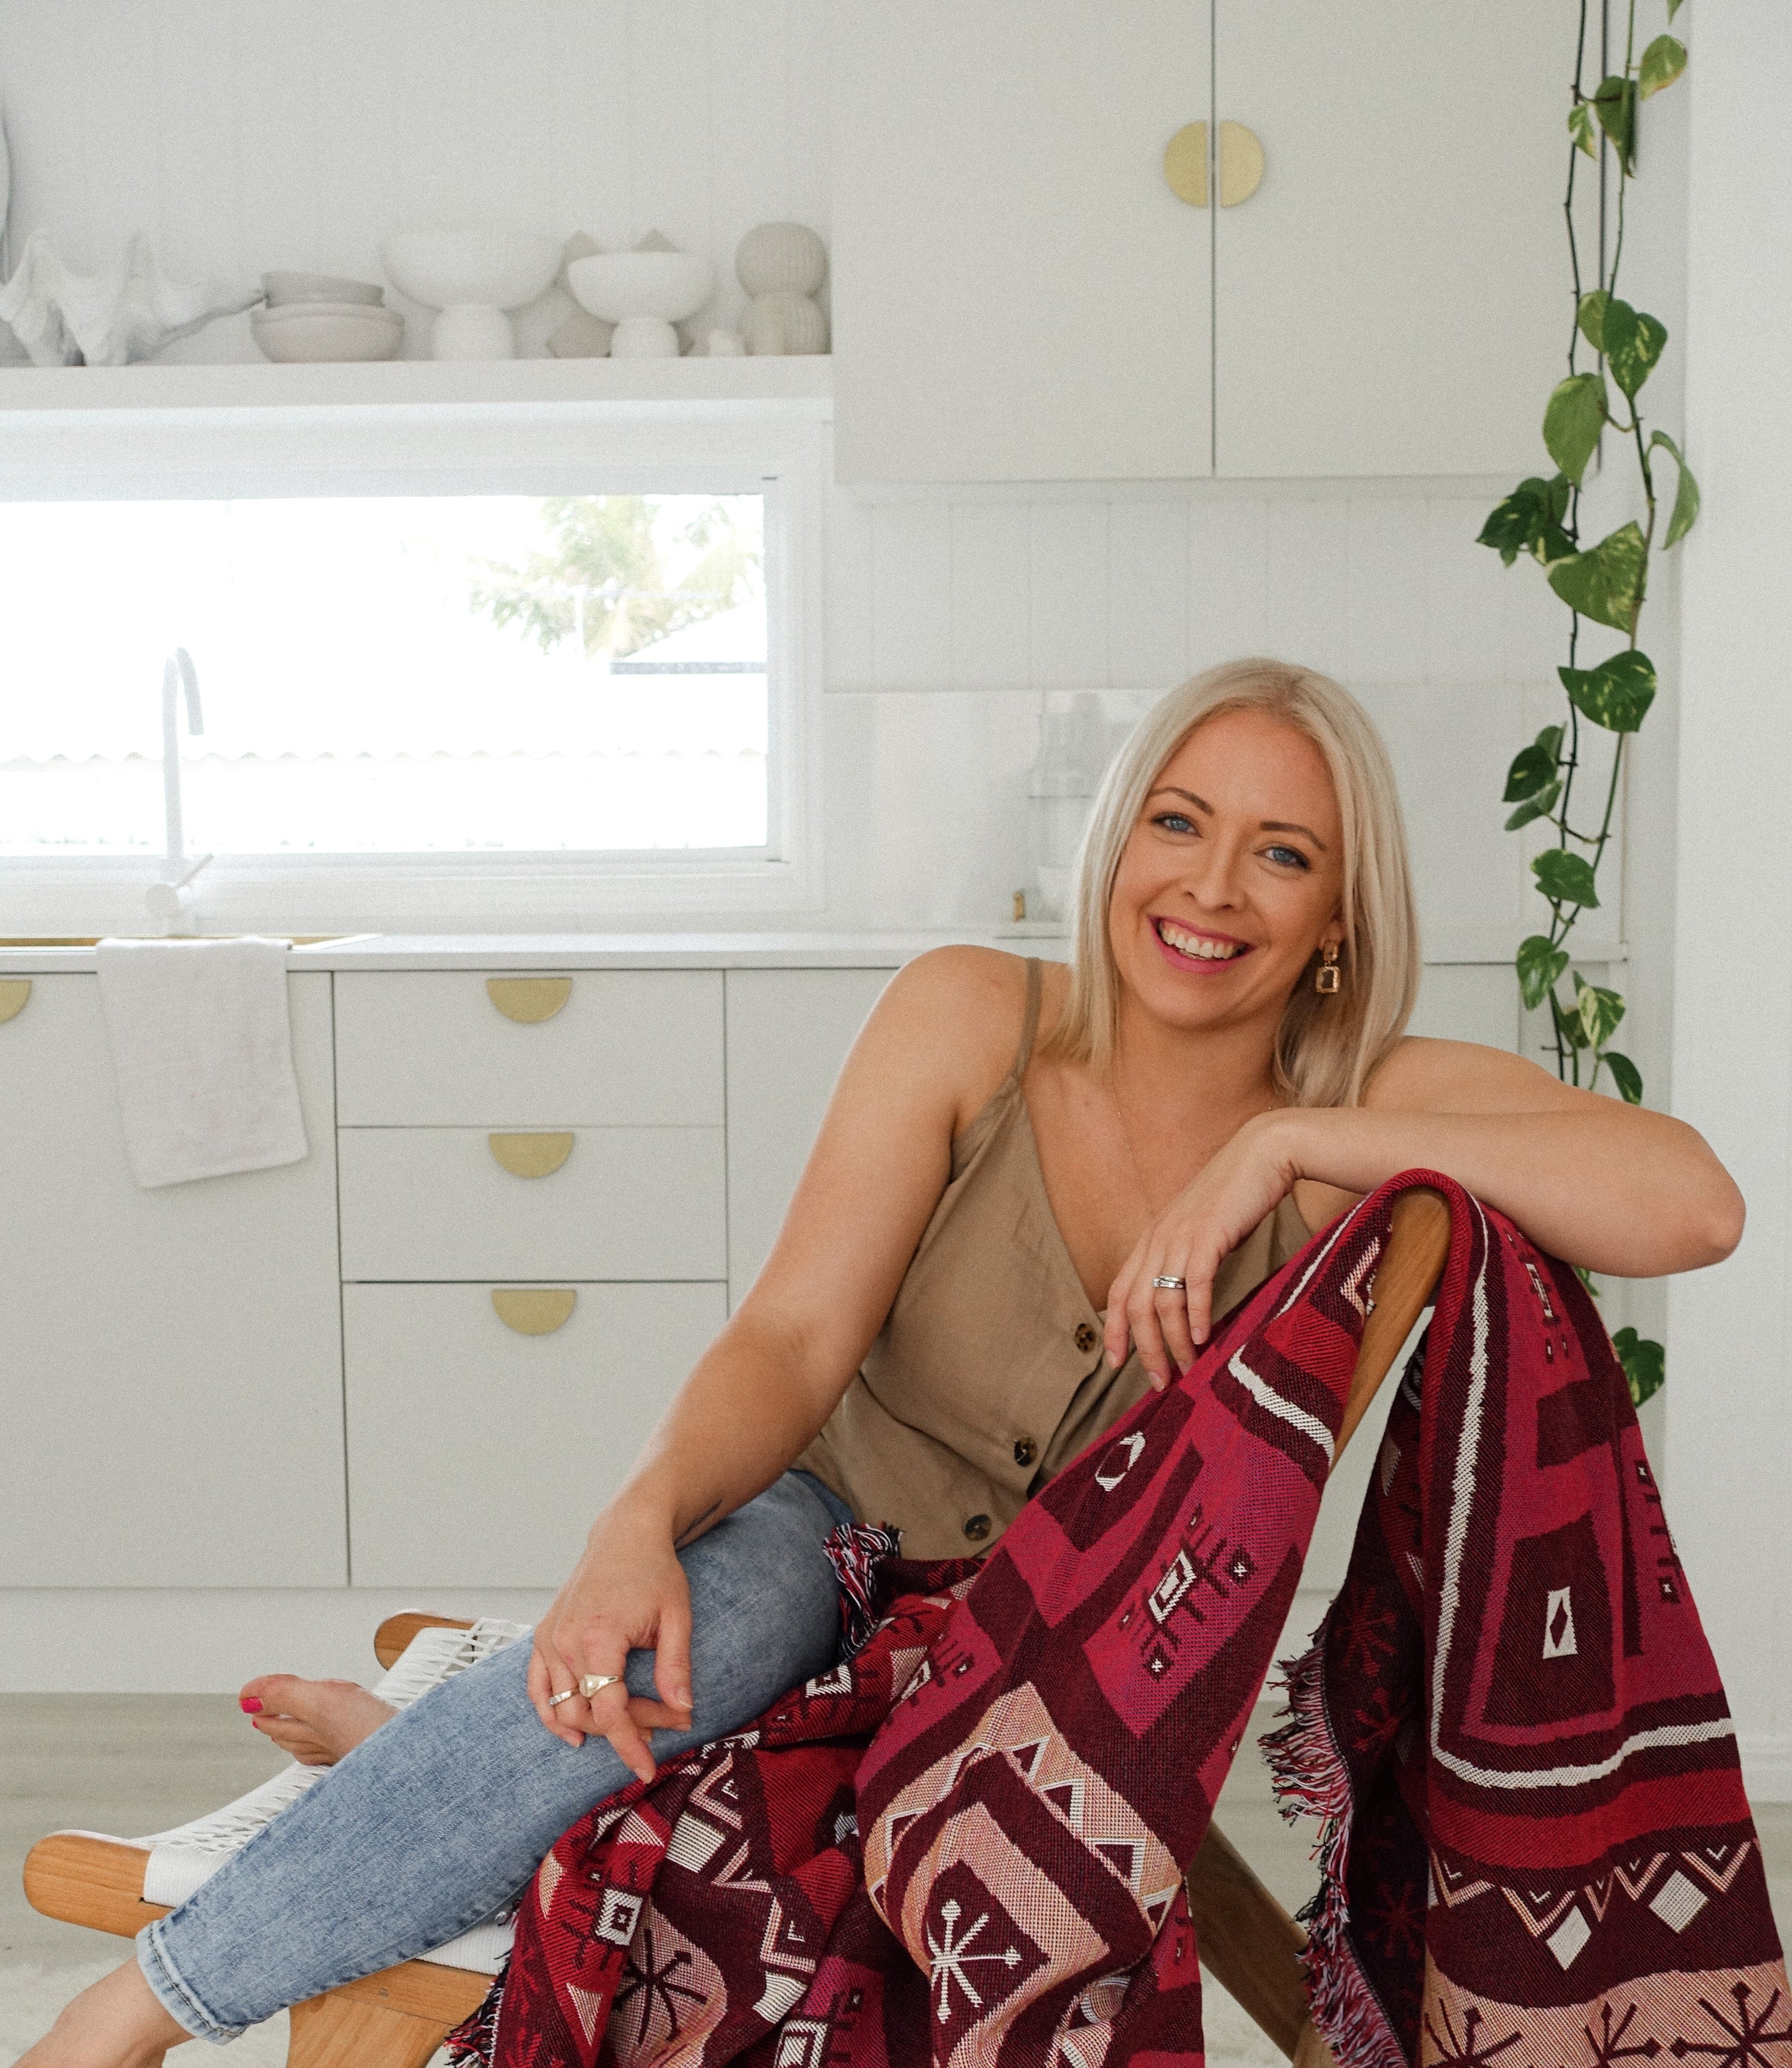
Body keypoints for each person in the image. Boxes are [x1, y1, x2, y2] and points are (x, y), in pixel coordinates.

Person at [28, 659, 1744, 2066]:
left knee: (696, 1729)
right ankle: (140, 2011)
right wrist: (635, 1521)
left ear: (1340, 922)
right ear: (1117, 843)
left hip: (1077, 1648)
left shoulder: (1377, 1100)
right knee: (737, 1615)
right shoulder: (970, 1014)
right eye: (1179, 824)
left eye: (1282, 856)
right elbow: (789, 1337)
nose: (1211, 889)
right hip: (828, 1538)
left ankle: (441, 1733)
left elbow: (1693, 1202)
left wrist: (1285, 1138)